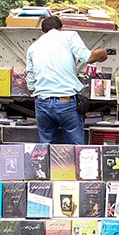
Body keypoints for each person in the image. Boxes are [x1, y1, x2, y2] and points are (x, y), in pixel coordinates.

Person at [26, 15, 108, 144]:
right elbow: (88, 58)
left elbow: (30, 82)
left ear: (42, 32)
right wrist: (102, 53)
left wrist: (36, 91)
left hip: (42, 104)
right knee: (76, 148)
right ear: (61, 28)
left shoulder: (33, 48)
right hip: (66, 104)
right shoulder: (70, 36)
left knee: (47, 148)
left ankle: (49, 164)